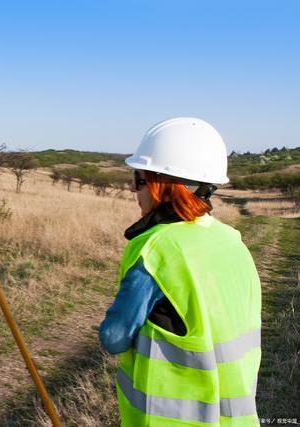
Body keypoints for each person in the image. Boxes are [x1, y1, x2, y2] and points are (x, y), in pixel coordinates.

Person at [99, 117, 261, 426]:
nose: (133, 189)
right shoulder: (231, 240)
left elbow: (114, 338)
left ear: (161, 185)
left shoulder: (155, 247)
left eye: (139, 179)